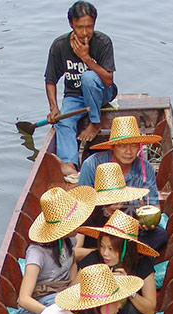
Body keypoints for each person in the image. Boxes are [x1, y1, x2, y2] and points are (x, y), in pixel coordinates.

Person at [17, 185, 97, 314]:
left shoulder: (70, 241)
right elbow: (24, 299)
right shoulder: (37, 254)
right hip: (33, 310)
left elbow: (72, 266)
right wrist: (55, 312)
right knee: (55, 309)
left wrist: (74, 296)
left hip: (60, 299)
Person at [77, 210, 159, 314]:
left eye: (111, 249)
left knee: (130, 307)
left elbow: (150, 310)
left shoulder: (142, 264)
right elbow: (74, 296)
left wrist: (129, 289)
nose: (105, 253)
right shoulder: (94, 260)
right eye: (102, 247)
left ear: (125, 250)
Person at [45, 1, 118, 180]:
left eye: (89, 27)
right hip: (75, 96)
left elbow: (108, 80)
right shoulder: (60, 45)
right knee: (63, 122)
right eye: (80, 27)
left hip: (102, 92)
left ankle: (95, 122)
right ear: (71, 25)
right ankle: (69, 164)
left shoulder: (103, 42)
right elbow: (50, 80)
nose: (85, 33)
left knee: (88, 78)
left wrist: (86, 59)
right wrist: (54, 107)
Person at [78, 115, 168, 251]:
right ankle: (124, 253)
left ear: (139, 147)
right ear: (112, 147)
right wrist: (106, 210)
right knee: (86, 233)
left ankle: (120, 253)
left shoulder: (146, 168)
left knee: (160, 235)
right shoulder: (91, 165)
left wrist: (148, 222)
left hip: (131, 221)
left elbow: (154, 206)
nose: (129, 152)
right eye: (123, 146)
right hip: (100, 221)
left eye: (133, 146)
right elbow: (82, 205)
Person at [74, 162, 149, 261]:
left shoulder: (129, 210)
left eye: (121, 201)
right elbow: (76, 252)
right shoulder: (87, 213)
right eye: (112, 202)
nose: (117, 206)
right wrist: (103, 251)